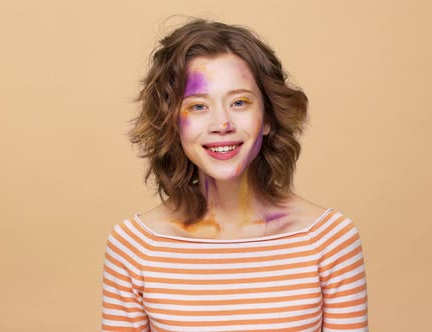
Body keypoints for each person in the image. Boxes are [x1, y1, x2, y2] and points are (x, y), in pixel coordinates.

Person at [101, 19, 368, 332]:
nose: (222, 124)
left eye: (239, 102)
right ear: (172, 123)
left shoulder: (329, 239)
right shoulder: (135, 245)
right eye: (198, 106)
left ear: (268, 117)